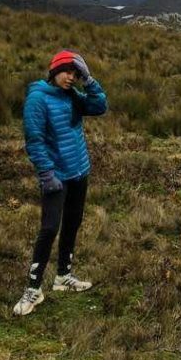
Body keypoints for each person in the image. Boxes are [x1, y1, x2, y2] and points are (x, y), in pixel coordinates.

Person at [14, 50, 108, 316]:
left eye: (76, 74)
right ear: (54, 71)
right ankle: (33, 288)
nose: (71, 78)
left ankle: (63, 276)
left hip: (79, 171)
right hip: (56, 177)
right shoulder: (38, 98)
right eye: (68, 72)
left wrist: (90, 82)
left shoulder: (72, 96)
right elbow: (34, 140)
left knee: (73, 223)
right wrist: (46, 174)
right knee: (49, 228)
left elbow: (100, 107)